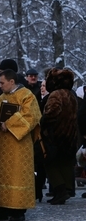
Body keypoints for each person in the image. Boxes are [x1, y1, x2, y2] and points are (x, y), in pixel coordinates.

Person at [0, 69, 41, 221]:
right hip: (2, 145)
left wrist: (10, 124)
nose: (0, 86)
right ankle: (1, 209)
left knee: (18, 176)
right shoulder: (1, 98)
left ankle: (18, 211)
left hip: (19, 146)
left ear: (12, 82)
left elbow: (32, 115)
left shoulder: (26, 95)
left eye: (2, 83)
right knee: (2, 176)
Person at [39, 68, 79, 205]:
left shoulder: (56, 95)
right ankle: (65, 190)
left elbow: (51, 114)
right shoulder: (71, 95)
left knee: (51, 163)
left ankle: (60, 190)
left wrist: (42, 122)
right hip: (70, 134)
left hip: (56, 135)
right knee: (65, 163)